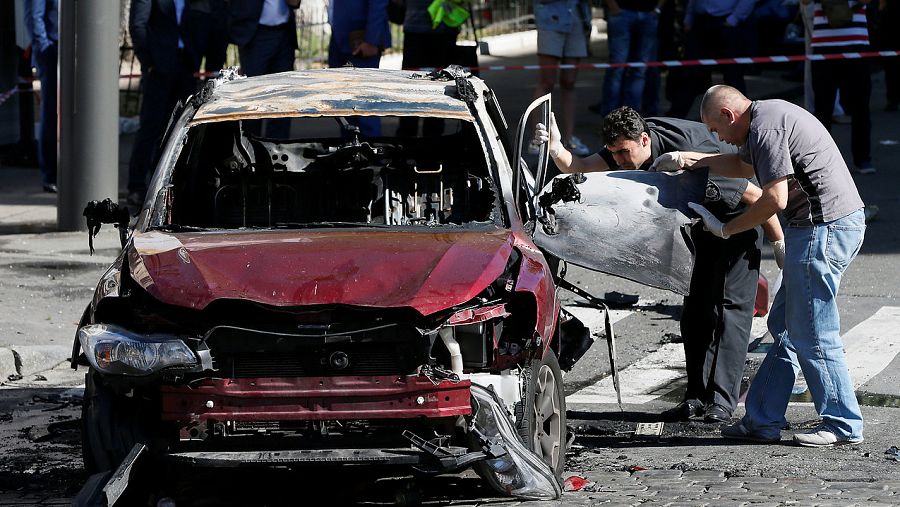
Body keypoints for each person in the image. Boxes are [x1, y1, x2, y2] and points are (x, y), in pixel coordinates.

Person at [534, 106, 784, 423]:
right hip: (697, 224)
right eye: (616, 154)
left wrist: (778, 244)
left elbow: (756, 196)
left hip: (737, 221)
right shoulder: (628, 143)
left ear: (644, 139)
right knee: (695, 313)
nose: (621, 162)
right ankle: (695, 398)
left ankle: (721, 402)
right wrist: (556, 147)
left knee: (728, 311)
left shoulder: (692, 159)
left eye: (624, 153)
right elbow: (583, 167)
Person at [651, 85, 866, 447]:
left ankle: (843, 424)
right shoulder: (763, 118)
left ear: (728, 115)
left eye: (717, 131)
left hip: (822, 229)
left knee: (813, 330)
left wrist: (727, 228)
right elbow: (741, 165)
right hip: (821, 227)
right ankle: (761, 420)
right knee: (785, 327)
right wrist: (691, 160)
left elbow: (774, 198)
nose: (718, 138)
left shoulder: (765, 129)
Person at [128, 0, 202, 206]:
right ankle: (136, 185)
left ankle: (166, 183)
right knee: (151, 127)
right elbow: (137, 25)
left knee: (178, 126)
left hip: (184, 64)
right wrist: (148, 62)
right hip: (158, 67)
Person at [805, 0, 876, 174]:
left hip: (856, 47)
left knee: (860, 107)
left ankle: (862, 159)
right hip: (824, 48)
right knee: (823, 109)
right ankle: (820, 162)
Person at [666, 0, 756, 118]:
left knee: (733, 75)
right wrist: (689, 17)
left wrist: (734, 19)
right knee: (690, 74)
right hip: (701, 23)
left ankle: (744, 118)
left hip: (726, 24)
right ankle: (674, 118)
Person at [227, 0, 300, 138]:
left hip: (285, 33)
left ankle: (278, 147)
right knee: (254, 95)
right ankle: (251, 148)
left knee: (283, 95)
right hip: (255, 33)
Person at [532, 0, 593, 156]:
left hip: (577, 19)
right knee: (547, 82)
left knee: (569, 82)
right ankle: (538, 139)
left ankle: (568, 138)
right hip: (550, 21)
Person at [396, 0, 460, 138]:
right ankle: (427, 136)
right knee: (433, 87)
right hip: (436, 29)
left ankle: (410, 136)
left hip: (425, 29)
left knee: (412, 86)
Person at [328, 0, 391, 137]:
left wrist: (371, 40)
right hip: (339, 39)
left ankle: (371, 154)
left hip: (361, 40)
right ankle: (349, 154)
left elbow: (378, 3)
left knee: (365, 107)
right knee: (344, 109)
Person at [593, 0, 664, 117]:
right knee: (617, 67)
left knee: (639, 70)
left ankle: (631, 119)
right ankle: (609, 120)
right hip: (622, 13)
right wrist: (612, 6)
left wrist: (657, 9)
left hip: (647, 14)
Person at [24, 0, 59, 193]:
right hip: (51, 52)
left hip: (74, 52)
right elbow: (33, 17)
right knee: (51, 114)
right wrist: (44, 48)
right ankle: (50, 174)